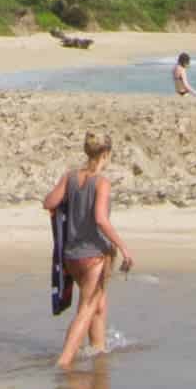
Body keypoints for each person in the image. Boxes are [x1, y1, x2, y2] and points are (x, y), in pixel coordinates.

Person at [43, 130, 134, 369]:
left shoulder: (70, 176)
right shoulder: (101, 182)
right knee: (85, 310)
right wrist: (124, 248)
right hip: (94, 256)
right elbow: (101, 219)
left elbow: (48, 202)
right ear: (106, 154)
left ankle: (98, 353)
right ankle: (63, 362)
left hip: (72, 256)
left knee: (98, 305)